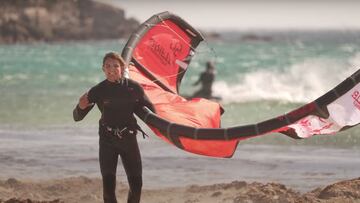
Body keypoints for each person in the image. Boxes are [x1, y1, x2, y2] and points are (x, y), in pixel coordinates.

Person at [73, 52, 155, 203]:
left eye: (115, 65)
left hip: (128, 139)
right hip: (107, 140)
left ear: (122, 67)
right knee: (109, 188)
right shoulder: (98, 90)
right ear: (103, 69)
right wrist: (80, 106)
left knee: (136, 185)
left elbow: (152, 111)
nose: (111, 69)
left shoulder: (134, 88)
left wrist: (167, 129)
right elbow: (77, 117)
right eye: (108, 66)